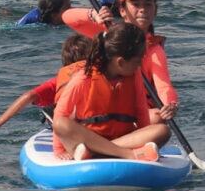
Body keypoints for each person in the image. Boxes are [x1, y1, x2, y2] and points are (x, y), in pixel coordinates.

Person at [52, 22, 172, 162]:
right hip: (89, 137)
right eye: (137, 61)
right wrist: (59, 149)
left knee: (163, 130)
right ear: (120, 62)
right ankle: (127, 154)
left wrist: (144, 135)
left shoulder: (135, 75)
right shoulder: (84, 77)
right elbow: (60, 113)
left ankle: (95, 153)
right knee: (61, 124)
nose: (140, 65)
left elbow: (141, 111)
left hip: (119, 139)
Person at [61, 0, 179, 119]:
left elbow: (164, 85)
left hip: (131, 113)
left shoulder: (155, 51)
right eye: (135, 4)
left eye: (148, 4)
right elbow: (67, 16)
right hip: (99, 106)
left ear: (155, 10)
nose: (142, 9)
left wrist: (169, 105)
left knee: (156, 116)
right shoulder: (109, 33)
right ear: (122, 10)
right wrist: (93, 14)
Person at [0, 34, 94, 140]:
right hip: (97, 124)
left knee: (54, 110)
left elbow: (29, 96)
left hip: (70, 129)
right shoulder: (104, 75)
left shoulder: (60, 81)